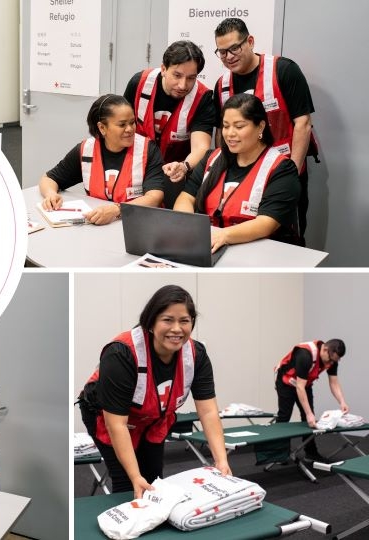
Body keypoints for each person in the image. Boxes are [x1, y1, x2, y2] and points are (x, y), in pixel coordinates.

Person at [77, 285, 231, 498]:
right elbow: (116, 424)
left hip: (153, 419)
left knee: (153, 479)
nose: (177, 329)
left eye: (184, 321)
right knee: (129, 483)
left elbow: (208, 412)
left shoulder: (197, 355)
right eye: (167, 320)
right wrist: (134, 476)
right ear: (150, 322)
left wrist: (221, 461)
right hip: (108, 416)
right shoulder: (121, 354)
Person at [212, 17, 317, 238]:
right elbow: (221, 134)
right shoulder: (221, 86)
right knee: (238, 234)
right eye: (222, 52)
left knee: (286, 240)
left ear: (250, 41)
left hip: (282, 172)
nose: (229, 56)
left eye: (234, 48)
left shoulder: (284, 70)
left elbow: (303, 124)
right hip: (241, 177)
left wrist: (291, 176)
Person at [174, 93, 301, 252]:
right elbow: (186, 197)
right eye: (226, 126)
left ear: (260, 127)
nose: (230, 134)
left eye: (239, 126)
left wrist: (223, 236)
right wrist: (189, 225)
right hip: (209, 247)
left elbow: (267, 223)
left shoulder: (282, 168)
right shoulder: (213, 158)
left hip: (260, 253)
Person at [39, 94, 166, 226]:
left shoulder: (148, 150)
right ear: (102, 128)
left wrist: (116, 210)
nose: (130, 129)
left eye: (132, 122)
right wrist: (51, 194)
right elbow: (49, 178)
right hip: (99, 227)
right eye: (122, 124)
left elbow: (154, 197)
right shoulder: (86, 150)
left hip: (139, 224)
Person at [123, 40, 215, 208]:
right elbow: (120, 126)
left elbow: (201, 147)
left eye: (191, 78)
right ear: (164, 69)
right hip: (137, 169)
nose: (183, 85)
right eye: (177, 75)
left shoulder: (204, 98)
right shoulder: (139, 83)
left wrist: (184, 166)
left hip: (176, 174)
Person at [274, 339, 348, 461]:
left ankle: (311, 453)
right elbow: (299, 387)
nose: (330, 363)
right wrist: (309, 414)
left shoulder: (332, 358)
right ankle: (279, 454)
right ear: (325, 349)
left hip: (304, 384)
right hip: (286, 382)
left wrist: (342, 401)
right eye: (329, 360)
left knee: (309, 419)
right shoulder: (305, 355)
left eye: (333, 361)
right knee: (284, 416)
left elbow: (334, 382)